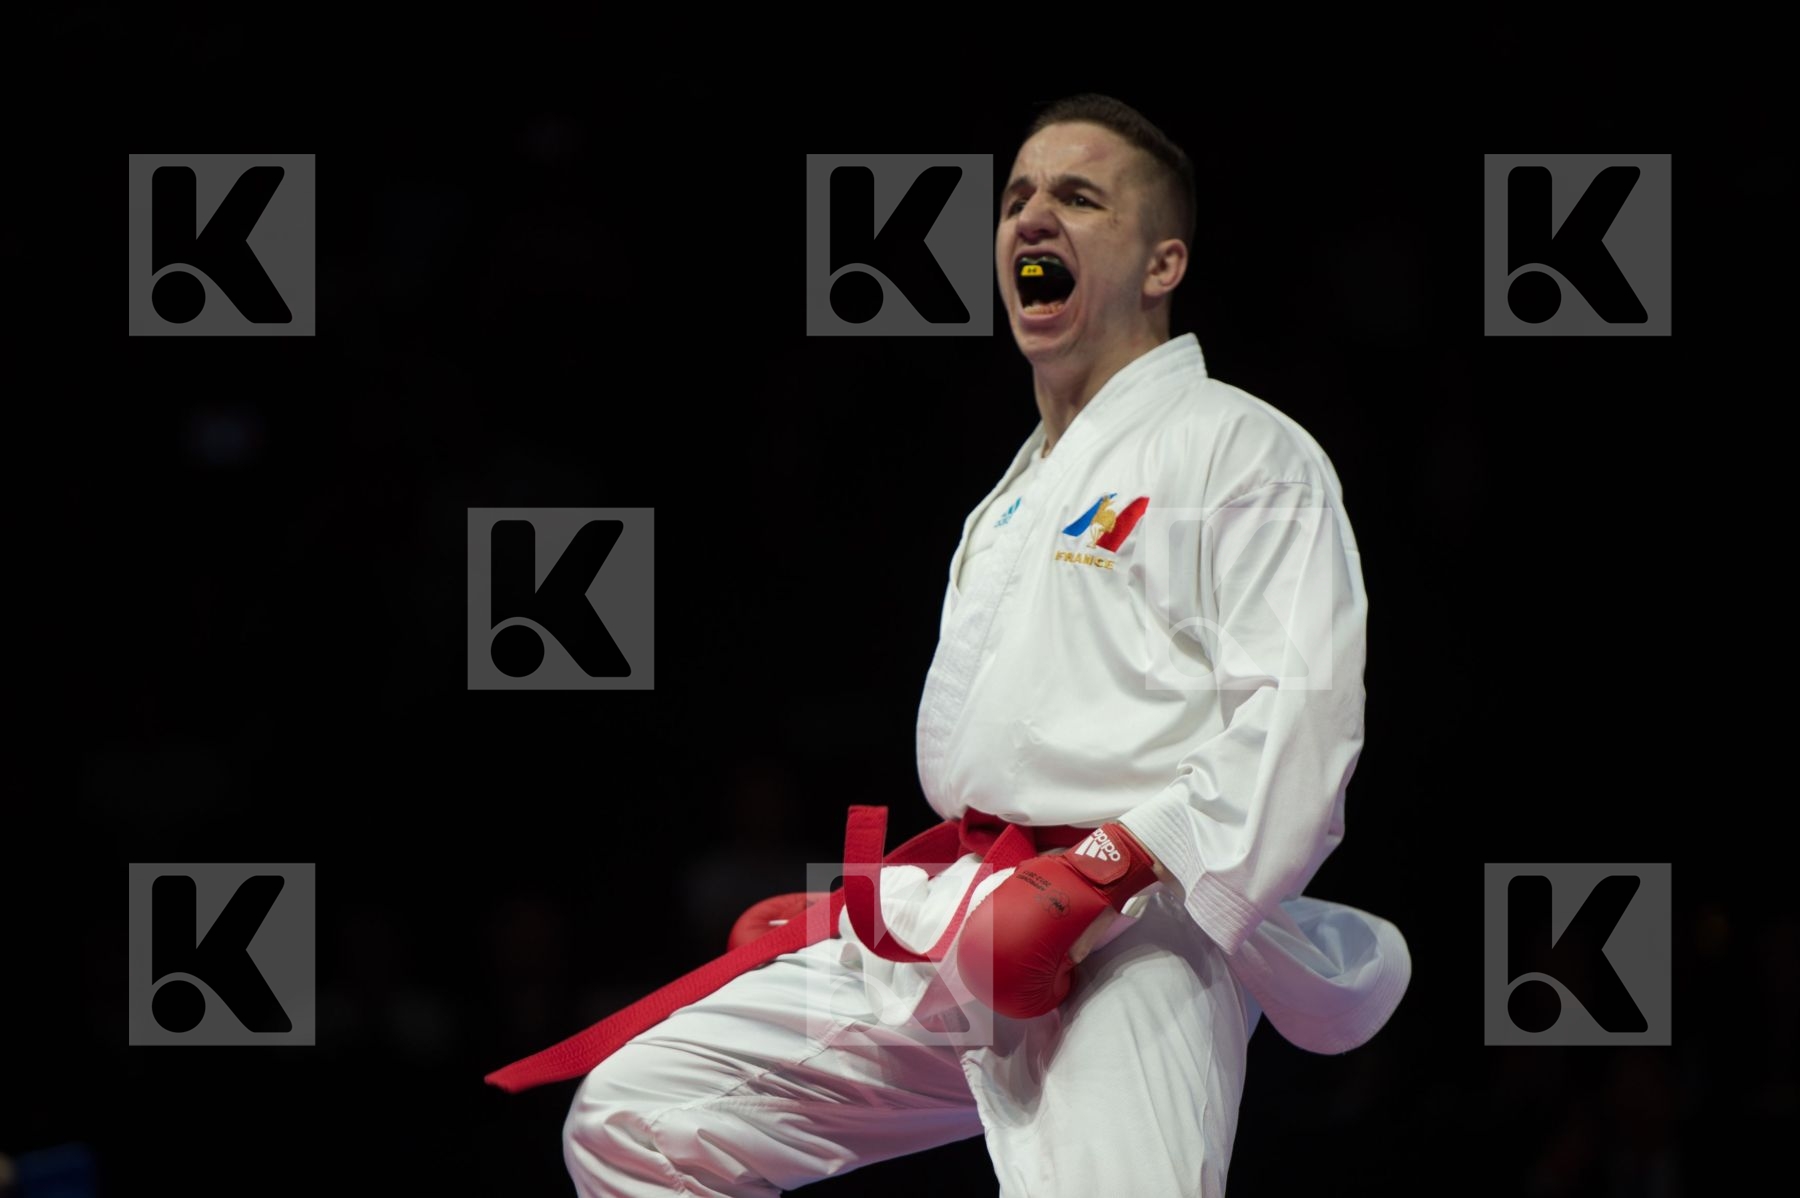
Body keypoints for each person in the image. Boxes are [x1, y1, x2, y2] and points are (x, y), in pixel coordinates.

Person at [495, 93, 1411, 1196]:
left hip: (1143, 926)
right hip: (973, 908)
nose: (1034, 215)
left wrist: (1102, 871)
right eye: (1018, 196)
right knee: (639, 1117)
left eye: (1080, 197)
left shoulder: (1242, 448)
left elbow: (1300, 728)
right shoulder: (1009, 499)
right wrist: (863, 909)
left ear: (1163, 263)